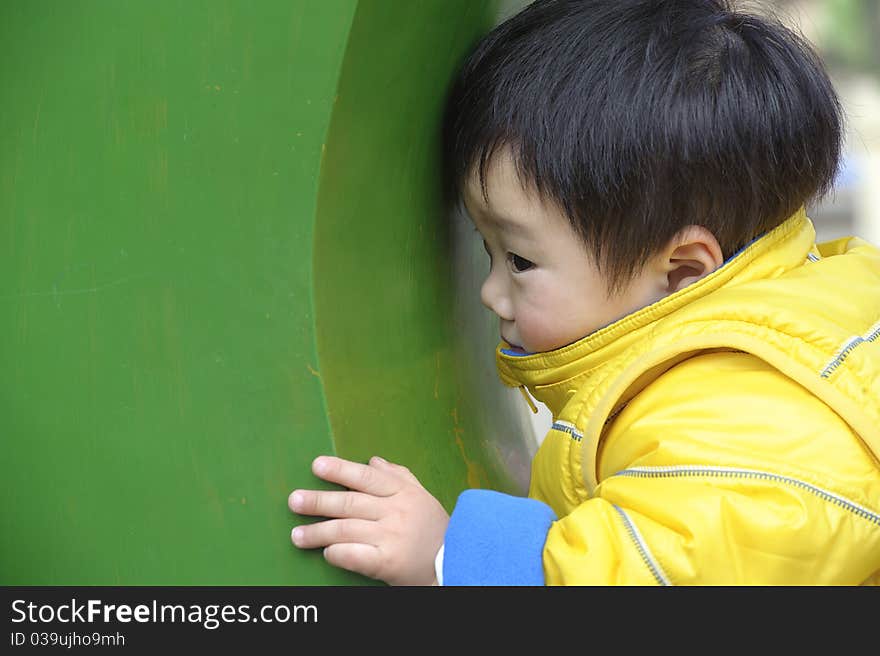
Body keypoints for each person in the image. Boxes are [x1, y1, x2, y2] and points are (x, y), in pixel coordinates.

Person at [288, 0, 880, 585]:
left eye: (520, 260)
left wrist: (449, 556)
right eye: (484, 247)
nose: (492, 292)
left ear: (680, 270)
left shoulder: (742, 432)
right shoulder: (813, 303)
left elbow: (656, 574)